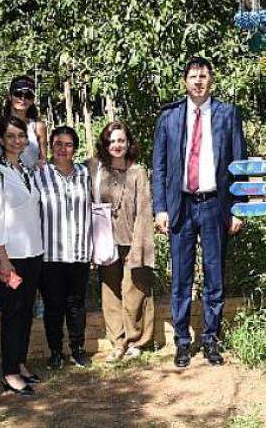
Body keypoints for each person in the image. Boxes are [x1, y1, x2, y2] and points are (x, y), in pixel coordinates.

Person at [152, 56, 246, 368]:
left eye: (203, 76)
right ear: (185, 81)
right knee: (181, 277)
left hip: (214, 205)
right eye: (193, 76)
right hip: (180, 206)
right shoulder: (169, 117)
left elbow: (239, 164)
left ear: (211, 80)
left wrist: (237, 209)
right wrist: (160, 208)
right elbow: (159, 167)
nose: (198, 82)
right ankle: (181, 341)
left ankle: (211, 339)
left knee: (214, 276)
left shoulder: (227, 114)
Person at [87, 121, 157, 363]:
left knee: (135, 290)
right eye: (111, 141)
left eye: (121, 140)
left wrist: (140, 246)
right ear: (105, 144)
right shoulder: (94, 168)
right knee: (110, 292)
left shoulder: (138, 172)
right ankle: (118, 341)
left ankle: (137, 341)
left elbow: (144, 210)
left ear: (128, 143)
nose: (116, 145)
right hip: (106, 240)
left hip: (133, 239)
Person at [0, 116, 43, 396]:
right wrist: (4, 259)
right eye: (10, 136)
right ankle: (9, 372)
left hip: (32, 253)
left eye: (21, 136)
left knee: (25, 312)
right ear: (0, 141)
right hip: (8, 256)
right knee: (12, 313)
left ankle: (19, 362)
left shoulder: (24, 170)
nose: (16, 141)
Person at [32, 126, 94, 369]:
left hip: (79, 251)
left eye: (68, 144)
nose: (62, 149)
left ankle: (78, 349)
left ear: (75, 149)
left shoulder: (85, 174)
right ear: (51, 146)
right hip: (50, 253)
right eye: (58, 143)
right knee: (54, 305)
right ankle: (56, 351)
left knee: (76, 304)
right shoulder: (39, 173)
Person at [0, 75, 48, 169]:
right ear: (9, 96)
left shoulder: (38, 127)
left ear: (32, 100)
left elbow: (44, 162)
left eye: (28, 95)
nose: (22, 99)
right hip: (5, 176)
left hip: (32, 176)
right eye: (18, 94)